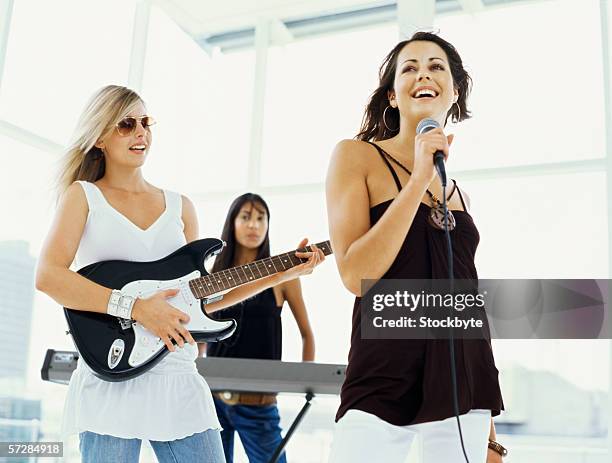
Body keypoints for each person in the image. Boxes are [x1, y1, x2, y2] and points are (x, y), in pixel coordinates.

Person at [35, 85, 324, 463]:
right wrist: (136, 308)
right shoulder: (83, 196)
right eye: (126, 124)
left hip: (177, 375)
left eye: (145, 122)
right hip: (111, 376)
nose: (141, 132)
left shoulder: (180, 207)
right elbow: (50, 276)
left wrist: (283, 273)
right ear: (100, 137)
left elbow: (204, 299)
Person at [325, 32, 506, 462]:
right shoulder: (357, 157)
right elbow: (354, 275)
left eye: (436, 66)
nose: (423, 74)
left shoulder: (456, 189)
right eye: (410, 67)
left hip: (463, 382)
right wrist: (418, 179)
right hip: (382, 372)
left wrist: (492, 433)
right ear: (392, 95)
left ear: (454, 92)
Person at [199, 193, 316, 463]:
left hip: (258, 402)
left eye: (261, 218)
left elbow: (306, 333)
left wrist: (305, 382)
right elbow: (200, 334)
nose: (254, 225)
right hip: (212, 399)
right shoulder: (213, 274)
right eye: (246, 217)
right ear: (232, 222)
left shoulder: (283, 276)